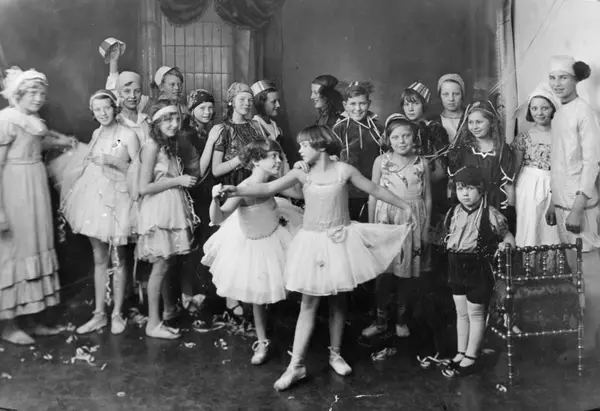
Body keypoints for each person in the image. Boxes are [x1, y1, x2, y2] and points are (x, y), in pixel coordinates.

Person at [218, 125, 414, 391]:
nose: (299, 150)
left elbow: (375, 189)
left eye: (304, 145)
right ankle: (296, 365)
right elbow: (268, 187)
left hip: (340, 240)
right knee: (308, 303)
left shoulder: (344, 170)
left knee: (338, 300)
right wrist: (237, 191)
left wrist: (405, 205)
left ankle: (335, 354)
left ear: (320, 146)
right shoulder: (301, 172)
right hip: (312, 242)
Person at [202, 139, 303, 365]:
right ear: (256, 161)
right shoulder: (244, 189)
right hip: (254, 243)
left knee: (291, 282)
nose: (278, 160)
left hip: (276, 232)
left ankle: (297, 335)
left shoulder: (273, 182)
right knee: (259, 293)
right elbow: (217, 218)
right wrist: (214, 200)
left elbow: (299, 195)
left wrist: (299, 171)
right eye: (273, 156)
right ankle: (262, 340)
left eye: (279, 156)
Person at [0, 67, 75, 345]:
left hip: (35, 185)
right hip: (13, 189)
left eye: (42, 93)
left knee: (37, 245)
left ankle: (32, 319)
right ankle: (9, 325)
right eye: (32, 92)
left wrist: (63, 142)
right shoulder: (6, 119)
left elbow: (34, 145)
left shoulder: (33, 120)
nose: (38, 98)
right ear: (18, 93)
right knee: (15, 252)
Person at [61, 90, 139, 335]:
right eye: (98, 110)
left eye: (107, 107)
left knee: (119, 258)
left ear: (115, 108)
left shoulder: (128, 134)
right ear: (93, 113)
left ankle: (117, 313)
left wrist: (113, 161)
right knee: (99, 259)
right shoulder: (97, 133)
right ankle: (99, 314)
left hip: (119, 200)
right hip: (96, 200)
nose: (103, 113)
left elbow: (138, 170)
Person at [547, 55, 600, 364]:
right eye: (552, 78)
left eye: (563, 77)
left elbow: (591, 163)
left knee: (589, 279)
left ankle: (590, 344)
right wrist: (552, 202)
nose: (557, 84)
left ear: (576, 79)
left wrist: (578, 208)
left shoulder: (585, 112)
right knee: (575, 277)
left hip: (581, 208)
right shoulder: (559, 115)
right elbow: (559, 164)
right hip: (562, 206)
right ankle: (581, 339)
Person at [441, 167, 515, 377]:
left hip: (477, 266)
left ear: (481, 190)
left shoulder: (490, 214)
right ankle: (461, 352)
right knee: (461, 312)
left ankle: (472, 355)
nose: (465, 194)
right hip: (456, 264)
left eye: (470, 189)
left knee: (475, 312)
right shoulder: (453, 212)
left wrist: (507, 245)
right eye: (460, 188)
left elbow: (507, 235)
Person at [362, 114, 431, 339]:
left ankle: (402, 321)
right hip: (386, 219)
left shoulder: (422, 163)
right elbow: (373, 194)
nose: (401, 141)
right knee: (384, 274)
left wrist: (425, 228)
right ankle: (381, 321)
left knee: (406, 274)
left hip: (412, 219)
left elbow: (427, 198)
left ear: (414, 137)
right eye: (396, 137)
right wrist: (372, 228)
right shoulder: (381, 162)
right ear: (388, 140)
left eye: (406, 136)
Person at [134, 101, 199, 339]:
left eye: (176, 119)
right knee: (160, 265)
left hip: (169, 208)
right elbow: (143, 187)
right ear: (156, 123)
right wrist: (177, 181)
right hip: (158, 211)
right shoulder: (151, 147)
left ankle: (165, 312)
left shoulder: (167, 145)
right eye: (167, 119)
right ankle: (153, 324)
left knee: (166, 263)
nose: (174, 124)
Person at [512, 83, 561, 248]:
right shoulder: (524, 137)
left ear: (553, 109)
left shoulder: (561, 136)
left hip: (553, 185)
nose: (539, 113)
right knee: (530, 228)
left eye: (544, 108)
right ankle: (529, 261)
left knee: (551, 231)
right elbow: (515, 168)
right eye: (534, 108)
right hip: (528, 187)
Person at [332, 81, 383, 222]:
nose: (358, 108)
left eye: (362, 103)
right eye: (353, 104)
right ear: (345, 105)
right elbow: (332, 156)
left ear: (369, 103)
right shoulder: (339, 128)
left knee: (371, 224)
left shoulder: (378, 128)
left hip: (374, 188)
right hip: (348, 190)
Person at [432, 74, 466, 145]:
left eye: (456, 94)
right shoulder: (433, 122)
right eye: (445, 94)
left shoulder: (470, 119)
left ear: (462, 95)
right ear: (440, 96)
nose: (451, 99)